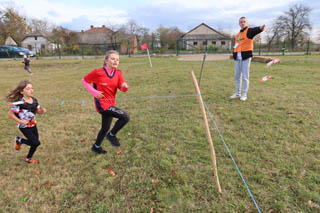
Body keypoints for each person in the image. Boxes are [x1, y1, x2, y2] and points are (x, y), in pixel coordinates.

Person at [82, 50, 130, 154]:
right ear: (106, 61)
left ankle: (96, 146)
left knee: (105, 128)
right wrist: (94, 92)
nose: (115, 61)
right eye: (113, 59)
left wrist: (124, 87)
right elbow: (84, 81)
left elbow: (121, 86)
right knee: (125, 117)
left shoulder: (118, 73)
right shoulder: (98, 72)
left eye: (117, 60)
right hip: (102, 105)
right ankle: (112, 135)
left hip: (111, 104)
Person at [7, 80, 46, 164]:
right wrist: (21, 121)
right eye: (28, 89)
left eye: (32, 88)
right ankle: (19, 140)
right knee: (36, 143)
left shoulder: (34, 100)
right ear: (22, 91)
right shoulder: (20, 103)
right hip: (24, 127)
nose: (31, 90)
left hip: (33, 124)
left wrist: (41, 111)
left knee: (35, 143)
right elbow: (10, 114)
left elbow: (37, 111)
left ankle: (28, 157)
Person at [230, 17, 265, 101]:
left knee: (245, 77)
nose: (242, 23)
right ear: (239, 23)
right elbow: (236, 45)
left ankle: (244, 94)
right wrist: (234, 52)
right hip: (237, 58)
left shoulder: (249, 31)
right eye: (241, 22)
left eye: (244, 22)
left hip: (246, 57)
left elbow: (255, 30)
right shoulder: (238, 35)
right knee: (237, 76)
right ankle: (237, 93)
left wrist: (260, 28)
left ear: (246, 23)